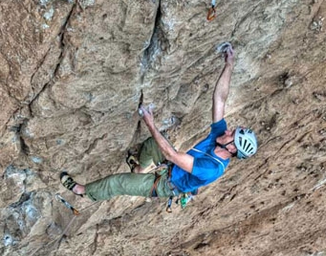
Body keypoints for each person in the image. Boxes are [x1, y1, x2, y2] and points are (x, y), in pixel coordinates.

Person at [60, 44, 257, 203]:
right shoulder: (220, 137)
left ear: (231, 148)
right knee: (151, 145)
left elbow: (172, 154)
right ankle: (138, 170)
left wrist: (151, 124)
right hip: (176, 168)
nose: (229, 130)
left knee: (118, 182)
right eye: (234, 130)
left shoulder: (211, 168)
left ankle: (83, 191)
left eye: (233, 134)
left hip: (167, 184)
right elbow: (220, 99)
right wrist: (229, 65)